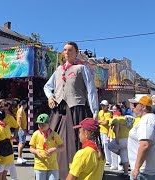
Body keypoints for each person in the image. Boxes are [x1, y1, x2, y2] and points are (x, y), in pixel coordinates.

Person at [43, 41, 98, 178]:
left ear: (76, 53)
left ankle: (75, 172)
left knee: (75, 140)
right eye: (65, 50)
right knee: (53, 138)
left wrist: (95, 111)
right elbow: (47, 87)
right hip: (58, 109)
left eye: (70, 50)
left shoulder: (81, 68)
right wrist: (50, 97)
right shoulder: (58, 70)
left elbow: (91, 90)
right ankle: (55, 171)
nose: (66, 52)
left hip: (76, 108)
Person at [127, 96, 155, 179]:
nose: (132, 108)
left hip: (143, 171)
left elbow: (144, 145)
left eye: (135, 105)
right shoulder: (150, 119)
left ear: (143, 107)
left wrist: (136, 168)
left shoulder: (147, 120)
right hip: (145, 170)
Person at [29, 114, 64, 180]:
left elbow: (62, 147)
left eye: (43, 125)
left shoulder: (54, 134)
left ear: (49, 124)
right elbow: (31, 148)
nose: (41, 127)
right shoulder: (36, 134)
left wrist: (55, 149)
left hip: (52, 165)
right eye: (39, 125)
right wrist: (36, 152)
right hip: (40, 165)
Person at [98, 100, 112, 166]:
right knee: (101, 145)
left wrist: (100, 121)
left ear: (107, 106)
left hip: (106, 132)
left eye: (103, 105)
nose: (102, 107)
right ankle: (103, 158)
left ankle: (108, 160)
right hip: (100, 131)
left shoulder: (109, 113)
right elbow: (96, 120)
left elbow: (106, 123)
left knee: (106, 145)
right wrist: (101, 121)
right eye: (101, 105)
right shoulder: (100, 112)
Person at [16, 100, 28, 164]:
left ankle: (20, 156)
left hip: (22, 128)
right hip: (21, 129)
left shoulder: (21, 110)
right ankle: (19, 157)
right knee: (21, 143)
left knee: (22, 142)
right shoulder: (20, 110)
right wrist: (22, 128)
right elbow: (19, 120)